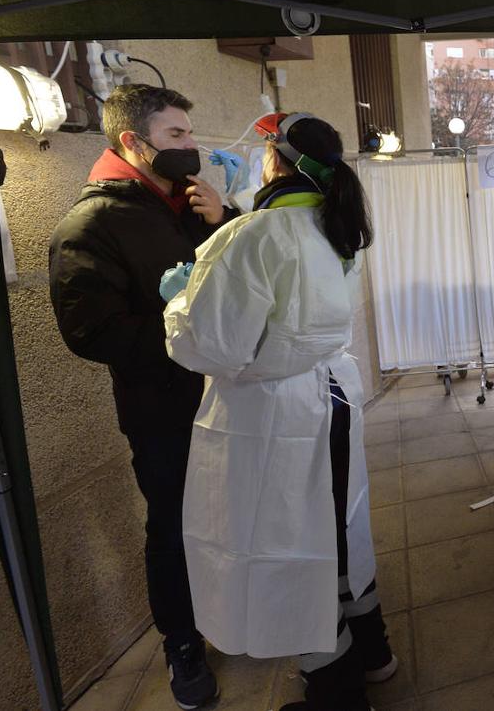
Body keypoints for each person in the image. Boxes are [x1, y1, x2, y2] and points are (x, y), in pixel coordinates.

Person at [162, 113, 396, 711]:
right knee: (339, 527)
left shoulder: (249, 237)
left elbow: (213, 346)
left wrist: (179, 304)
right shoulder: (337, 225)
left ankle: (336, 692)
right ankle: (374, 654)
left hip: (277, 417)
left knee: (291, 544)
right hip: (333, 398)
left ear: (276, 161)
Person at [48, 84, 234, 709]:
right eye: (176, 136)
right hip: (160, 407)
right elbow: (90, 330)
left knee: (221, 513)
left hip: (220, 395)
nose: (191, 146)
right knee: (175, 524)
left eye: (189, 133)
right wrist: (187, 343)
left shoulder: (180, 205)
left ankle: (223, 613)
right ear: (133, 142)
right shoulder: (91, 223)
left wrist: (224, 222)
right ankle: (182, 642)